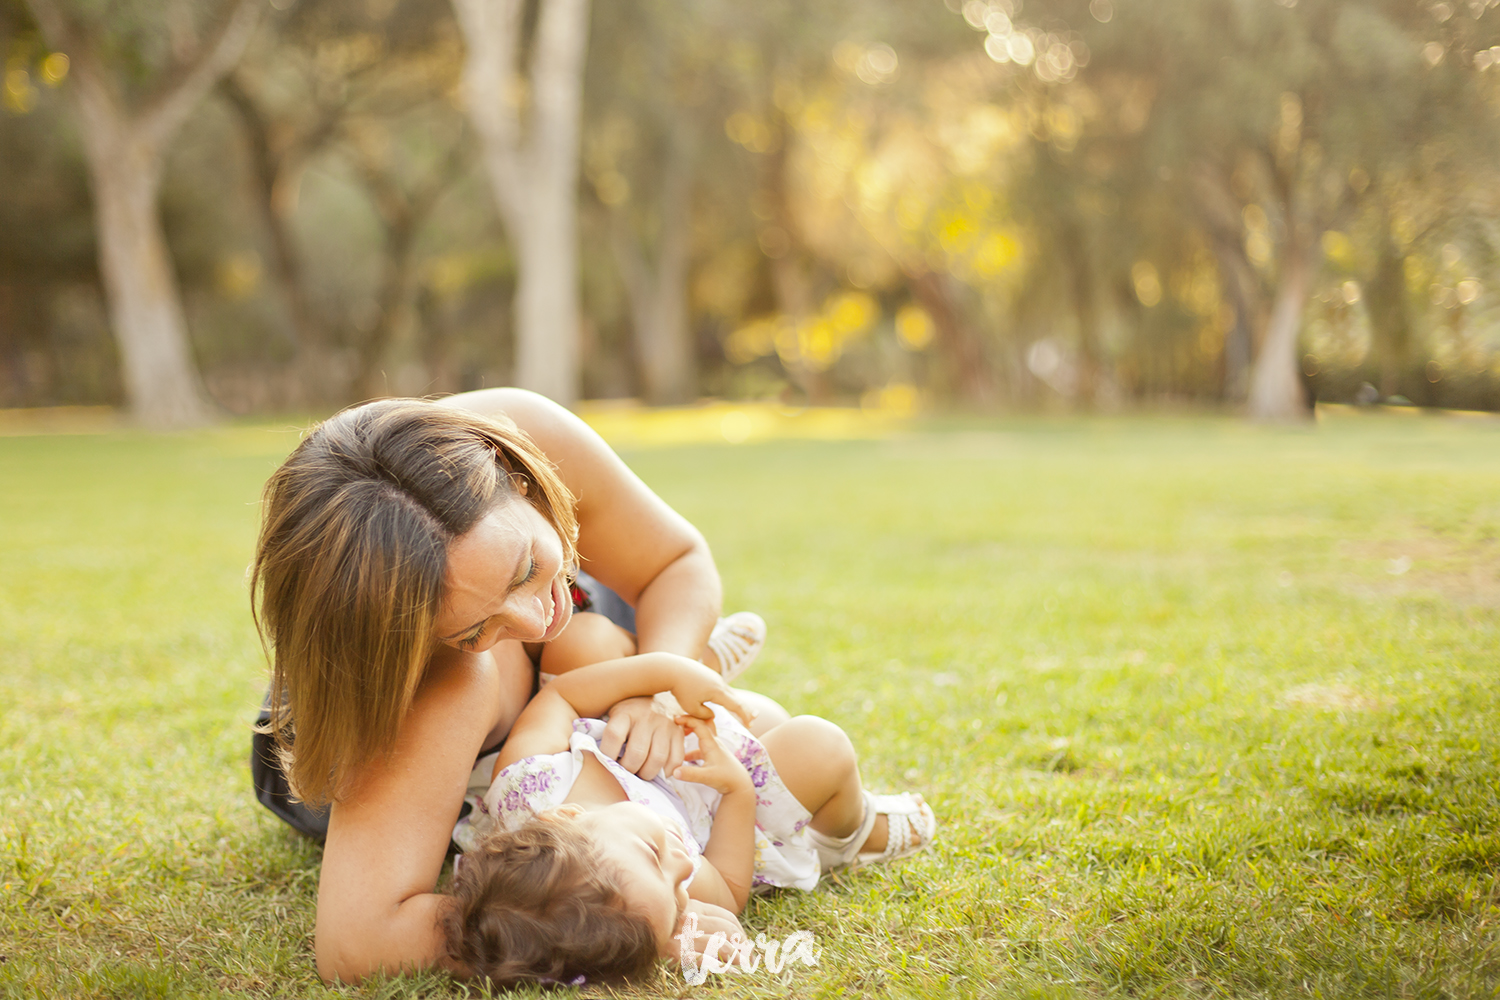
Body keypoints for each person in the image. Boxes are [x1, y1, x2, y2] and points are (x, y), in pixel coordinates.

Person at [250, 390, 784, 982]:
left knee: (585, 632)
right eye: (476, 626)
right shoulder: (442, 683)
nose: (535, 619)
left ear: (519, 482)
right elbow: (358, 944)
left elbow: (673, 561)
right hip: (418, 719)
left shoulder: (518, 436)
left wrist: (654, 687)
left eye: (525, 566)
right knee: (557, 636)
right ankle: (637, 660)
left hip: (572, 642)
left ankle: (651, 659)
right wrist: (614, 920)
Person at [442, 650, 936, 987]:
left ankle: (704, 656)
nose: (682, 866)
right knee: (819, 745)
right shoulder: (656, 880)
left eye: (655, 857)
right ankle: (847, 834)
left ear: (567, 815)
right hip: (720, 808)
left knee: (592, 640)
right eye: (676, 894)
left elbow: (561, 697)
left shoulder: (526, 782)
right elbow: (729, 884)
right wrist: (737, 790)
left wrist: (667, 673)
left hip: (655, 738)